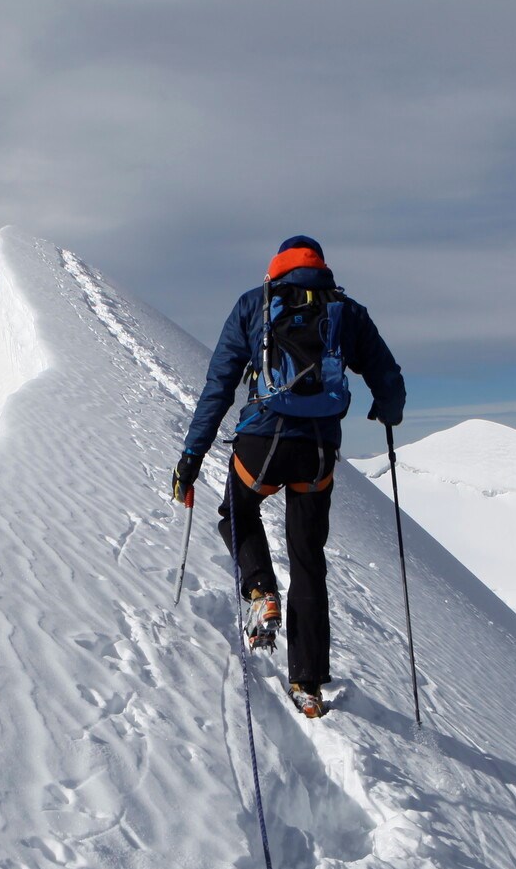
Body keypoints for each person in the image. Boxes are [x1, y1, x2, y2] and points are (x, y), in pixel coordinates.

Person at [171, 235, 405, 718]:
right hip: (318, 451)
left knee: (236, 509)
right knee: (308, 557)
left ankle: (260, 589)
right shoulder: (347, 311)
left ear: (276, 267)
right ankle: (308, 683)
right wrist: (387, 410)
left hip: (263, 442)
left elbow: (220, 384)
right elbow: (388, 378)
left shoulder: (254, 305)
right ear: (321, 267)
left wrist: (190, 459)